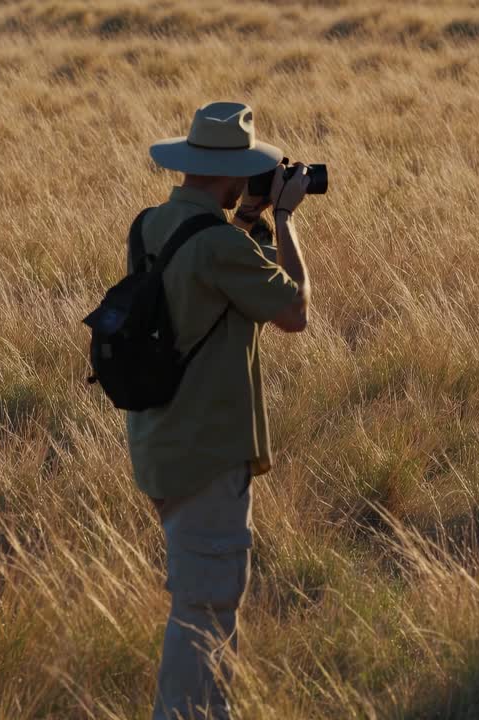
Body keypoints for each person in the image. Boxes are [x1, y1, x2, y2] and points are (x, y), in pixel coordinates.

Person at [131, 101, 311, 719]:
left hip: (161, 441)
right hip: (208, 450)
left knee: (199, 598)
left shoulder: (152, 226)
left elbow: (220, 282)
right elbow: (294, 311)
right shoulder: (216, 245)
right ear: (233, 172)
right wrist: (285, 221)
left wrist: (253, 217)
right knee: (205, 609)